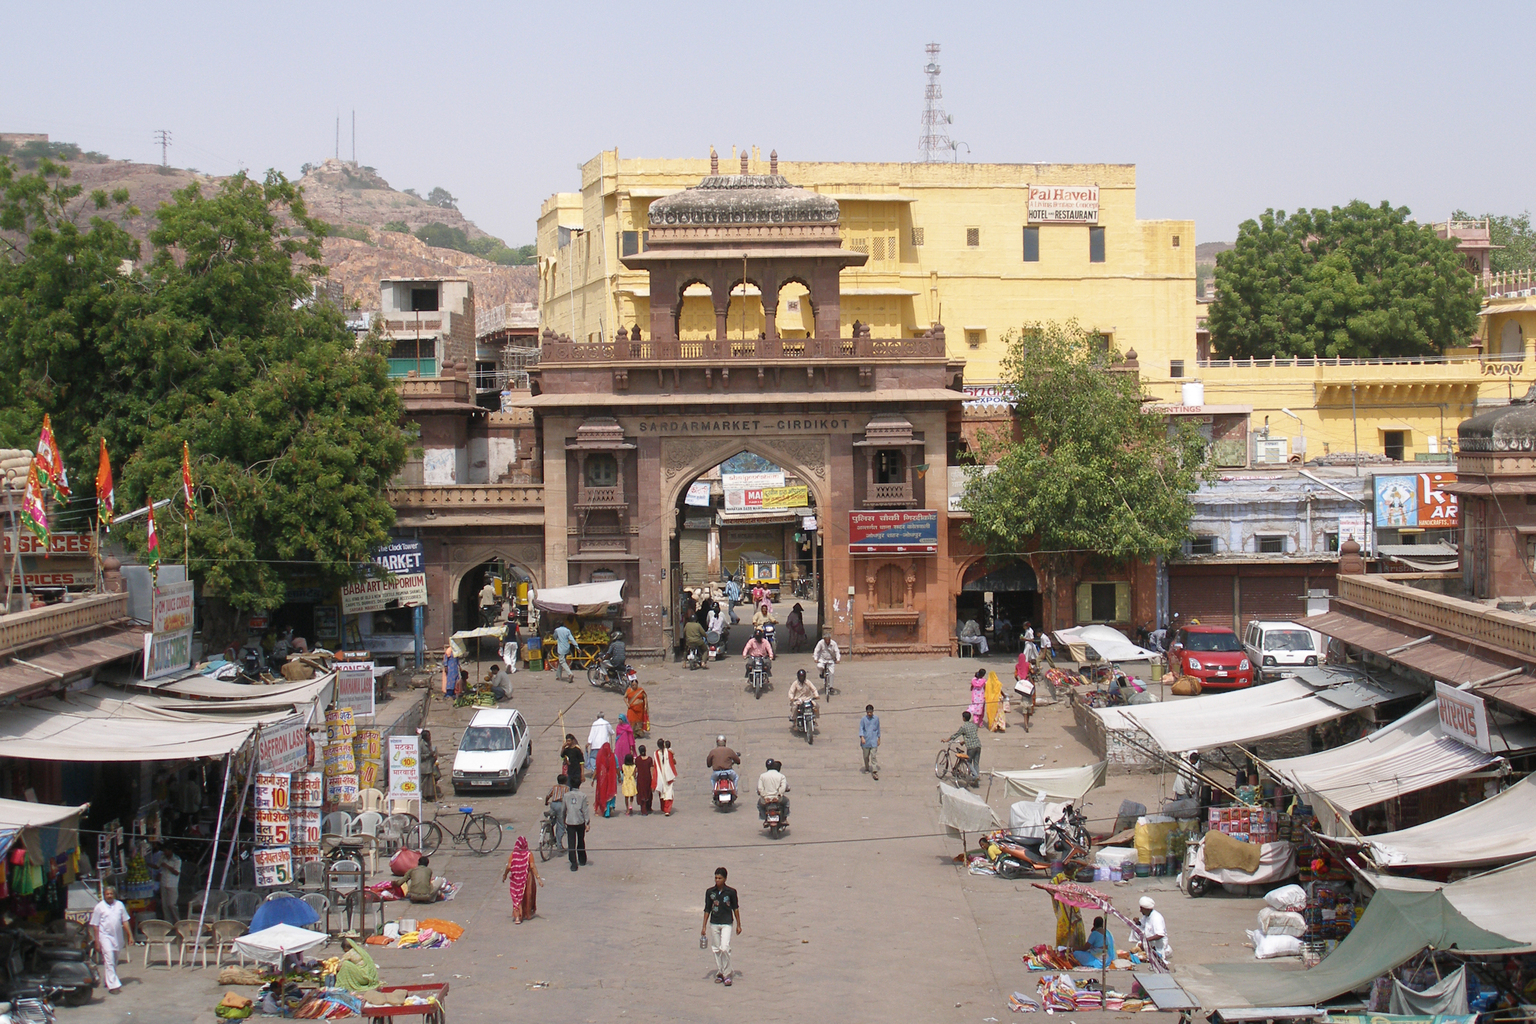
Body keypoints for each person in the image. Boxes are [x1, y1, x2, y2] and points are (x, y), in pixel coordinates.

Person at [700, 867, 742, 986]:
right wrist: (704, 926)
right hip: (714, 922)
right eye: (716, 878)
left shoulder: (731, 892)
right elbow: (707, 909)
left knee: (725, 947)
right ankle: (721, 971)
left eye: (720, 878)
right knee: (716, 948)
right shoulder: (710, 892)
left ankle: (727, 973)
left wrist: (739, 924)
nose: (717, 880)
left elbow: (735, 908)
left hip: (727, 923)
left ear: (725, 879)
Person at [90, 884, 132, 994]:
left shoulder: (119, 905)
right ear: (104, 895)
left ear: (114, 894)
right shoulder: (99, 907)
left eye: (111, 894)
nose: (109, 896)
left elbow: (125, 921)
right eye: (107, 894)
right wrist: (97, 942)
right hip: (105, 936)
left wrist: (130, 935)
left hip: (117, 937)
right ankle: (113, 986)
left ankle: (108, 979)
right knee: (109, 958)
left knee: (114, 960)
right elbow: (95, 925)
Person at [501, 836, 542, 924]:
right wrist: (538, 878)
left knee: (517, 897)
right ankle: (527, 913)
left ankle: (517, 917)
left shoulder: (513, 854)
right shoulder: (528, 854)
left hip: (516, 879)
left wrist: (505, 875)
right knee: (527, 895)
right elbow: (532, 866)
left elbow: (508, 866)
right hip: (526, 878)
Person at [563, 777, 592, 871]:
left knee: (571, 842)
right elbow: (585, 810)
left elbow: (563, 809)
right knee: (580, 840)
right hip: (580, 821)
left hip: (570, 821)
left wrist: (563, 820)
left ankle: (573, 863)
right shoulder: (582, 796)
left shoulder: (566, 795)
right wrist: (587, 822)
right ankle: (582, 859)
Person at [150, 842, 181, 922]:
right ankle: (168, 921)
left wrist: (167, 866)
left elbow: (176, 872)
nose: (165, 852)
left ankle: (177, 920)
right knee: (164, 905)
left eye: (166, 851)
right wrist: (147, 864)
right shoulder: (162, 857)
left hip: (172, 884)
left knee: (172, 904)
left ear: (170, 851)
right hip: (163, 883)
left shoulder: (177, 860)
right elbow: (157, 866)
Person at [1135, 896, 1171, 964]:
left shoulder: (1157, 918)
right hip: (1149, 942)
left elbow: (1160, 935)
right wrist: (1137, 922)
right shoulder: (1147, 916)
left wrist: (1146, 941)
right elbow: (1142, 924)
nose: (1140, 911)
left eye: (1141, 909)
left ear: (1147, 909)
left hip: (1158, 945)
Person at [948, 711, 982, 781]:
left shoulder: (963, 727)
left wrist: (946, 740)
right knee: (976, 763)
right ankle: (976, 780)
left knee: (968, 762)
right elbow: (972, 735)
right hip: (978, 745)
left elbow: (955, 735)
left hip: (971, 747)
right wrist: (964, 742)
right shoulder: (974, 725)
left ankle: (975, 776)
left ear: (963, 718)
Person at [756, 758, 788, 823]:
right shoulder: (781, 776)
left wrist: (764, 796)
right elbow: (783, 787)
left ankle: (765, 819)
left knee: (759, 805)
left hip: (765, 799)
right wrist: (779, 796)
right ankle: (784, 818)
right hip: (777, 798)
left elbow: (760, 788)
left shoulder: (762, 776)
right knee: (787, 803)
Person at [594, 742, 619, 818]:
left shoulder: (600, 757)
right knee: (611, 793)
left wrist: (593, 778)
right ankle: (610, 807)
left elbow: (597, 769)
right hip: (612, 778)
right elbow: (617, 767)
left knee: (603, 793)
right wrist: (620, 777)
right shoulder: (613, 756)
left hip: (603, 779)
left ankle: (605, 809)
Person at [544, 774, 568, 851]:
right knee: (561, 825)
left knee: (552, 820)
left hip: (553, 804)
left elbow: (548, 795)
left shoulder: (554, 787)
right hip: (561, 805)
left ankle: (549, 826)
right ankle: (559, 845)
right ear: (565, 781)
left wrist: (546, 802)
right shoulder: (567, 788)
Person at [655, 739, 678, 816]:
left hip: (660, 775)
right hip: (668, 775)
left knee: (662, 792)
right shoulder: (668, 753)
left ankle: (663, 808)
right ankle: (667, 810)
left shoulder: (656, 753)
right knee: (668, 792)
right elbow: (674, 762)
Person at [418, 730, 442, 800]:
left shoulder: (428, 743)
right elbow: (420, 757)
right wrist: (429, 755)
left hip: (429, 766)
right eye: (428, 736)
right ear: (424, 737)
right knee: (423, 783)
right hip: (424, 767)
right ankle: (422, 797)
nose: (430, 737)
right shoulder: (421, 745)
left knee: (430, 783)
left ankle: (429, 796)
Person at [859, 704, 881, 780]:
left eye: (870, 712)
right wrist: (862, 737)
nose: (869, 714)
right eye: (868, 712)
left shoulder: (876, 719)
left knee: (873, 755)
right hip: (866, 740)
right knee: (866, 756)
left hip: (873, 740)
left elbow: (878, 728)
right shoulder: (863, 719)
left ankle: (874, 770)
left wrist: (879, 738)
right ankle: (867, 767)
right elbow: (861, 728)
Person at [635, 744, 655, 815]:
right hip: (648, 778)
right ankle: (648, 807)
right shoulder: (649, 759)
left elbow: (636, 770)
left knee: (642, 793)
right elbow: (651, 769)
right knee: (648, 792)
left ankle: (643, 809)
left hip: (640, 778)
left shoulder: (637, 759)